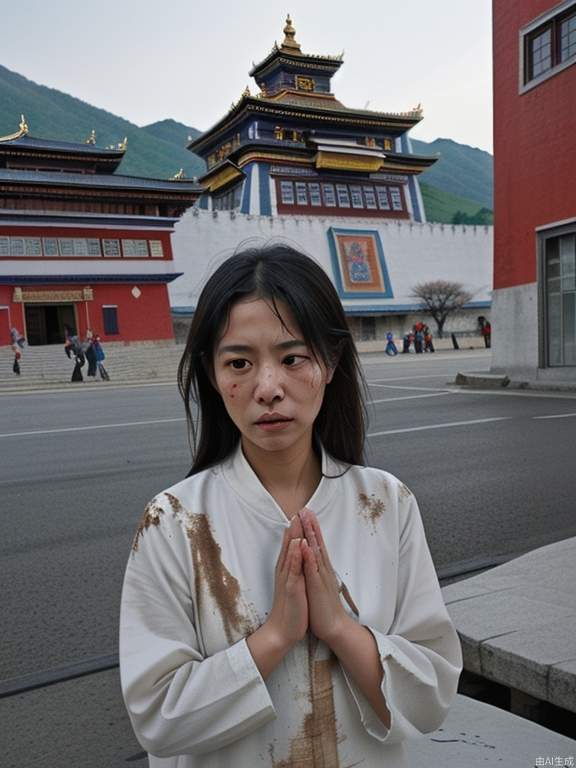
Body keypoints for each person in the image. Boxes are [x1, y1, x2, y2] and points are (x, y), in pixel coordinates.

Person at [119, 244, 462, 768]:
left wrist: (341, 629)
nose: (268, 388)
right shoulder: (173, 522)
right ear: (214, 376)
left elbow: (432, 692)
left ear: (329, 362)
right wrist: (276, 634)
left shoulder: (387, 503)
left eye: (292, 357)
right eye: (239, 362)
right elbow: (157, 718)